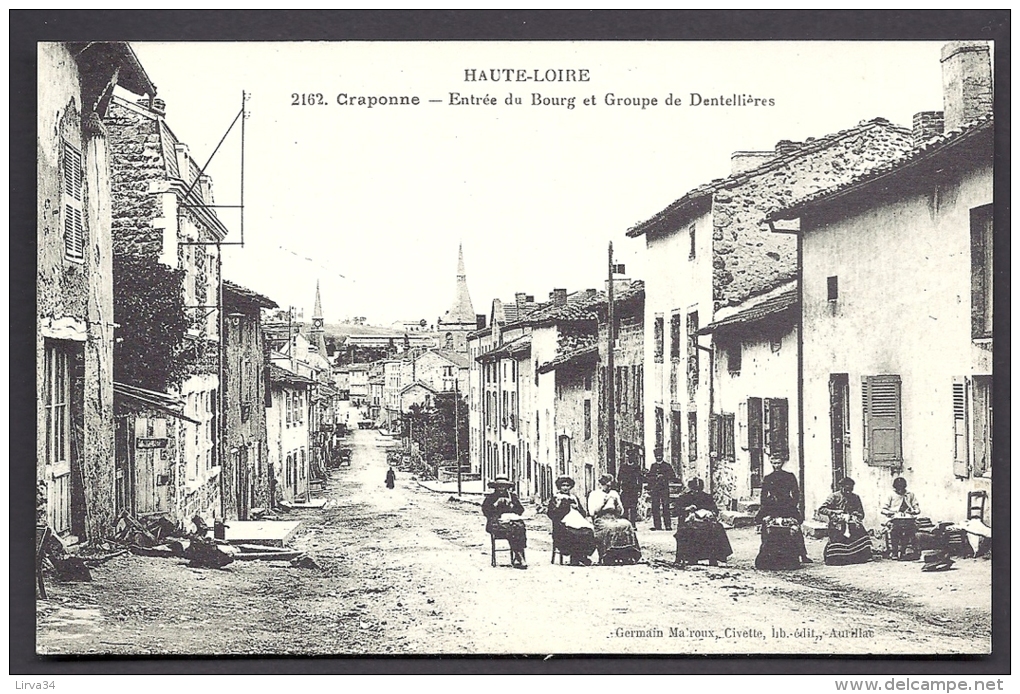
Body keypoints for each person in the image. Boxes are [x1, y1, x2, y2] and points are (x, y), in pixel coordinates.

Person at [755, 457, 810, 570]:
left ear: (782, 463)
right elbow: (764, 495)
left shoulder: (789, 476)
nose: (776, 465)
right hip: (772, 506)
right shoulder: (768, 478)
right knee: (767, 526)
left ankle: (802, 554)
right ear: (771, 463)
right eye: (774, 463)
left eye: (778, 463)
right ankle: (766, 553)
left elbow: (795, 492)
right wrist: (764, 508)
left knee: (794, 527)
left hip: (787, 505)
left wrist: (793, 504)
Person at [674, 478, 732, 567]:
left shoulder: (707, 497)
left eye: (698, 490)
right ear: (690, 488)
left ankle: (714, 557)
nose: (696, 492)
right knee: (687, 531)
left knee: (717, 528)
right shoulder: (684, 497)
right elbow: (675, 511)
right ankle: (691, 557)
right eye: (694, 490)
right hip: (689, 522)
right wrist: (687, 509)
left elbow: (715, 510)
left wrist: (710, 513)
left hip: (705, 521)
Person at [817, 477, 872, 565]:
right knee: (838, 535)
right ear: (841, 487)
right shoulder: (834, 496)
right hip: (837, 522)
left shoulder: (855, 497)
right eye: (846, 489)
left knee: (860, 531)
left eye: (850, 489)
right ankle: (838, 557)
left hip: (851, 522)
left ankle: (858, 556)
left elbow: (861, 513)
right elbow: (822, 509)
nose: (848, 492)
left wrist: (855, 514)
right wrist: (835, 512)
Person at [587, 475, 641, 565]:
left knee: (626, 525)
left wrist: (617, 503)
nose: (607, 487)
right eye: (605, 485)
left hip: (614, 517)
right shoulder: (594, 494)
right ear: (600, 484)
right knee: (611, 528)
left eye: (609, 485)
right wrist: (604, 502)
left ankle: (627, 554)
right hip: (601, 519)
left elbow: (621, 512)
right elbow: (592, 512)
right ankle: (608, 555)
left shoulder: (614, 493)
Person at [546, 476, 596, 566]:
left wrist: (577, 508)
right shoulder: (556, 498)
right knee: (572, 533)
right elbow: (551, 514)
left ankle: (582, 555)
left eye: (567, 485)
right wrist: (561, 506)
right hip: (562, 525)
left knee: (588, 532)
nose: (565, 488)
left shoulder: (574, 498)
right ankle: (576, 557)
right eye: (563, 485)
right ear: (559, 487)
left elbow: (583, 514)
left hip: (577, 521)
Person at [482, 476, 528, 569]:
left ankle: (518, 556)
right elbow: (485, 511)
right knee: (513, 529)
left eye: (504, 487)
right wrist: (495, 505)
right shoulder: (490, 497)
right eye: (499, 487)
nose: (501, 489)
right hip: (496, 524)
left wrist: (512, 506)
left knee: (520, 527)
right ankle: (519, 557)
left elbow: (520, 510)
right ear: (495, 487)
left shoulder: (512, 496)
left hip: (511, 522)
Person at [880, 476, 921, 560]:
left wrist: (914, 511)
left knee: (910, 530)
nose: (900, 490)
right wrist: (892, 512)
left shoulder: (910, 495)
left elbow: (917, 508)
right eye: (898, 488)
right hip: (894, 519)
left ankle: (903, 551)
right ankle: (894, 552)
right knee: (895, 530)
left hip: (908, 518)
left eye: (902, 488)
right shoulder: (891, 495)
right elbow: (883, 509)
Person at [647, 450, 677, 531]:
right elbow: (650, 477)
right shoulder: (653, 466)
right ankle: (657, 525)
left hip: (664, 488)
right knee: (655, 507)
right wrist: (654, 478)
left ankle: (668, 525)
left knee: (666, 506)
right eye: (657, 456)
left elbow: (672, 476)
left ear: (662, 456)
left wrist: (663, 476)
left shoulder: (667, 466)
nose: (658, 457)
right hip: (655, 489)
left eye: (660, 456)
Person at [616, 453, 644, 525]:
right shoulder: (623, 467)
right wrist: (618, 489)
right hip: (625, 489)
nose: (630, 458)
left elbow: (640, 479)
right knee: (625, 507)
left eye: (632, 457)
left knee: (633, 508)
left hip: (633, 490)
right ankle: (625, 524)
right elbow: (619, 478)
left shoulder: (636, 467)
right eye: (629, 457)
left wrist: (639, 490)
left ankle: (633, 524)